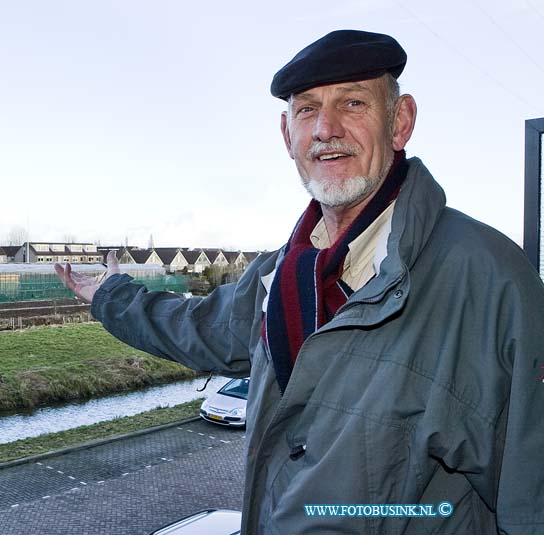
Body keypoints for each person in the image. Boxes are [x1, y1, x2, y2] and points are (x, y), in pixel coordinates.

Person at [55, 30, 544, 534]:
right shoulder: (281, 274)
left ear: (400, 123)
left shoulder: (488, 277)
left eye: (353, 102)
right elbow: (199, 326)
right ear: (287, 136)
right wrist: (110, 296)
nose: (326, 129)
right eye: (307, 110)